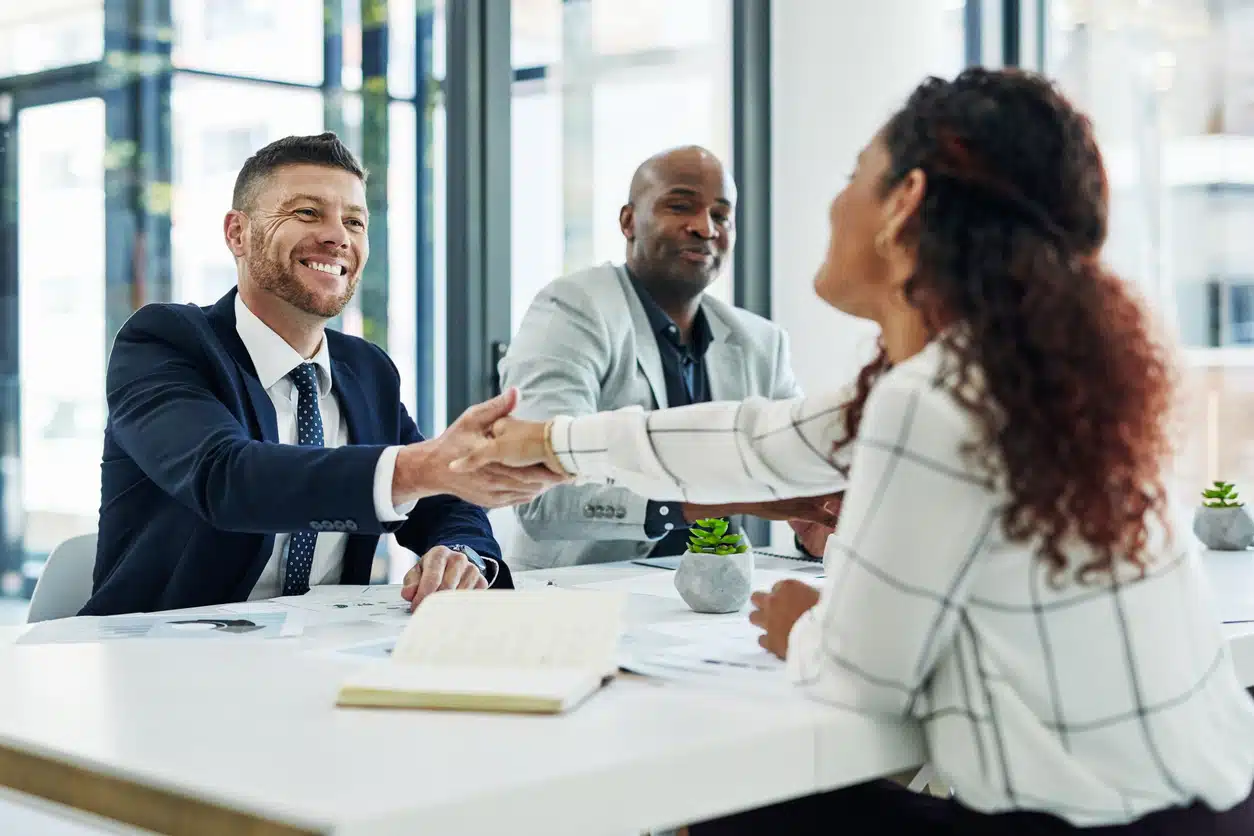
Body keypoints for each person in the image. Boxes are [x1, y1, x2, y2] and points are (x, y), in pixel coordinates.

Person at [450, 69, 1254, 833]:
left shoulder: (935, 395)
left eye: (851, 176)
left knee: (738, 794)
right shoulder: (1014, 373)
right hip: (1208, 810)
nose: (833, 201)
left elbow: (864, 677)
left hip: (1090, 830)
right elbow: (757, 438)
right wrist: (549, 439)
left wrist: (805, 626)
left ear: (905, 203)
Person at [86, 133, 564, 617]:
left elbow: (441, 502)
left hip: (324, 645)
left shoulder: (367, 370)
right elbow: (226, 478)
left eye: (354, 221)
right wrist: (421, 467)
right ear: (237, 234)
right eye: (307, 212)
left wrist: (461, 554)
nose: (338, 237)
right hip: (165, 648)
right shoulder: (164, 342)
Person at [500, 145, 838, 570]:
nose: (705, 228)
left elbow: (801, 471)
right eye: (680, 206)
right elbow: (538, 493)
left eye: (721, 215)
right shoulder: (572, 309)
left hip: (716, 594)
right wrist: (704, 500)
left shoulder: (762, 343)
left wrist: (817, 530)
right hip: (580, 589)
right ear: (628, 221)